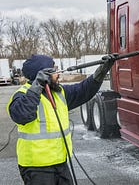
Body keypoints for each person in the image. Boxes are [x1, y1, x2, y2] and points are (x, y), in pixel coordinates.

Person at [7, 54, 115, 185]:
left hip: (60, 163)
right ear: (42, 74)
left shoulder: (59, 93)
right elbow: (22, 115)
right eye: (54, 71)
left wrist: (102, 71)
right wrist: (37, 86)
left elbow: (83, 90)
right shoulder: (22, 95)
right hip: (36, 167)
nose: (58, 74)